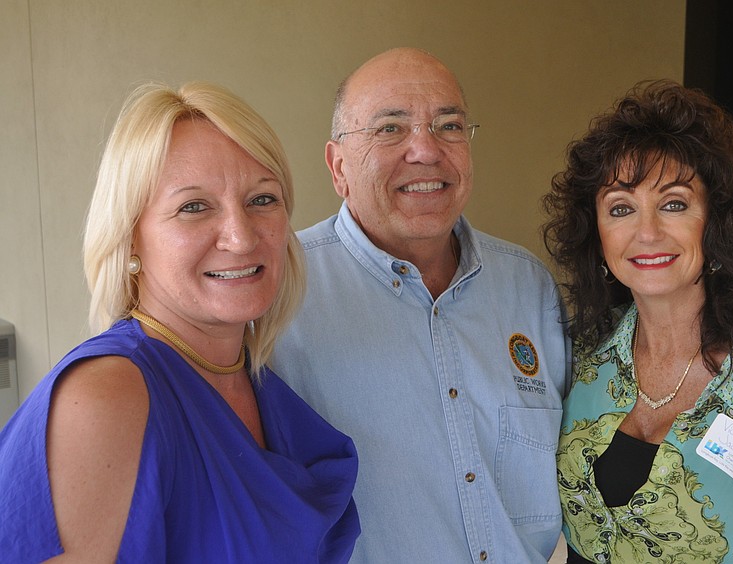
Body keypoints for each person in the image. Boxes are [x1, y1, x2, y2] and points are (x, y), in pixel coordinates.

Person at [0, 82, 359, 562]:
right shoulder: (106, 397)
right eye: (193, 207)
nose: (240, 236)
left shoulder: (259, 377)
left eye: (262, 199)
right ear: (130, 238)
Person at [271, 48, 569, 562]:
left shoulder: (529, 286)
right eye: (390, 128)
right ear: (338, 165)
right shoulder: (277, 290)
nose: (427, 150)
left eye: (449, 125)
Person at [543, 79, 733, 563]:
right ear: (597, 237)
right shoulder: (577, 356)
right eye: (621, 209)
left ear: (716, 223)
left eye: (674, 204)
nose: (647, 232)